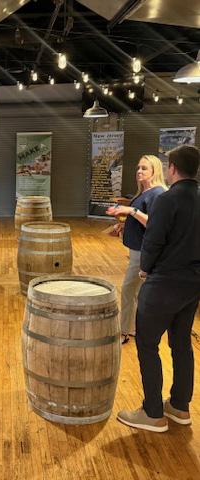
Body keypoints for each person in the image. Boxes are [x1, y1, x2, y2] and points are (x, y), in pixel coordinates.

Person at [117, 145, 200, 433]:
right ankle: (179, 406)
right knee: (181, 344)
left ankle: (152, 412)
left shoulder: (167, 199)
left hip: (163, 282)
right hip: (192, 284)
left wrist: (145, 268)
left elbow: (153, 240)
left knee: (147, 344)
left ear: (172, 168)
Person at [106, 155, 167, 344]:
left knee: (128, 290)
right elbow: (140, 220)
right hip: (137, 250)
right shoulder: (143, 193)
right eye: (138, 168)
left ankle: (124, 330)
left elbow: (154, 224)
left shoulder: (157, 194)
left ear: (155, 171)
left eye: (144, 168)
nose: (139, 171)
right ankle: (133, 328)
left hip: (144, 252)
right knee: (137, 292)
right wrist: (123, 226)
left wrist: (131, 211)